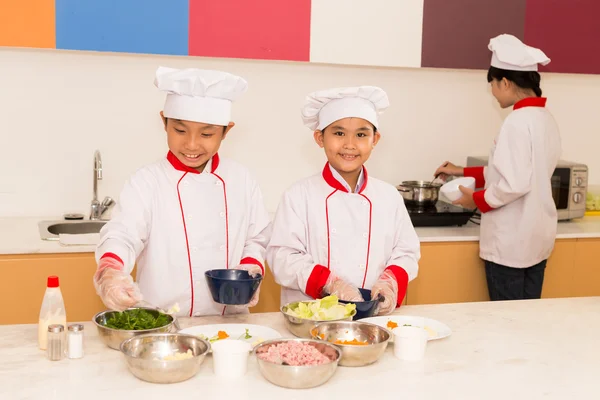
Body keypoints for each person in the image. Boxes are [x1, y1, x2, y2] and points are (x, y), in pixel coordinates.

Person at [93, 67, 271, 316]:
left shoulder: (240, 179)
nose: (191, 144)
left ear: (226, 131)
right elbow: (122, 234)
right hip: (161, 323)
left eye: (207, 134)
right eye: (180, 130)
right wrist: (110, 270)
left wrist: (251, 267)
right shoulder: (147, 181)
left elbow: (257, 238)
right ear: (164, 122)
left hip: (229, 324)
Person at [267, 86, 420, 315]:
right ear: (320, 138)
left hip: (374, 319)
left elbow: (406, 252)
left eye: (361, 134)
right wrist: (330, 283)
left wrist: (391, 282)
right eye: (339, 133)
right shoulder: (298, 195)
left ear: (375, 139)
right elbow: (282, 257)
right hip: (314, 318)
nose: (350, 144)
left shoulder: (389, 196)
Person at [435, 34, 561, 301]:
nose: (492, 92)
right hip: (536, 238)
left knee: (506, 323)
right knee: (526, 320)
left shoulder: (516, 122)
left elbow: (514, 183)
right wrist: (460, 171)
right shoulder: (544, 118)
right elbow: (515, 170)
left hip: (511, 244)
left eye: (492, 84)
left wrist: (475, 200)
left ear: (505, 82)